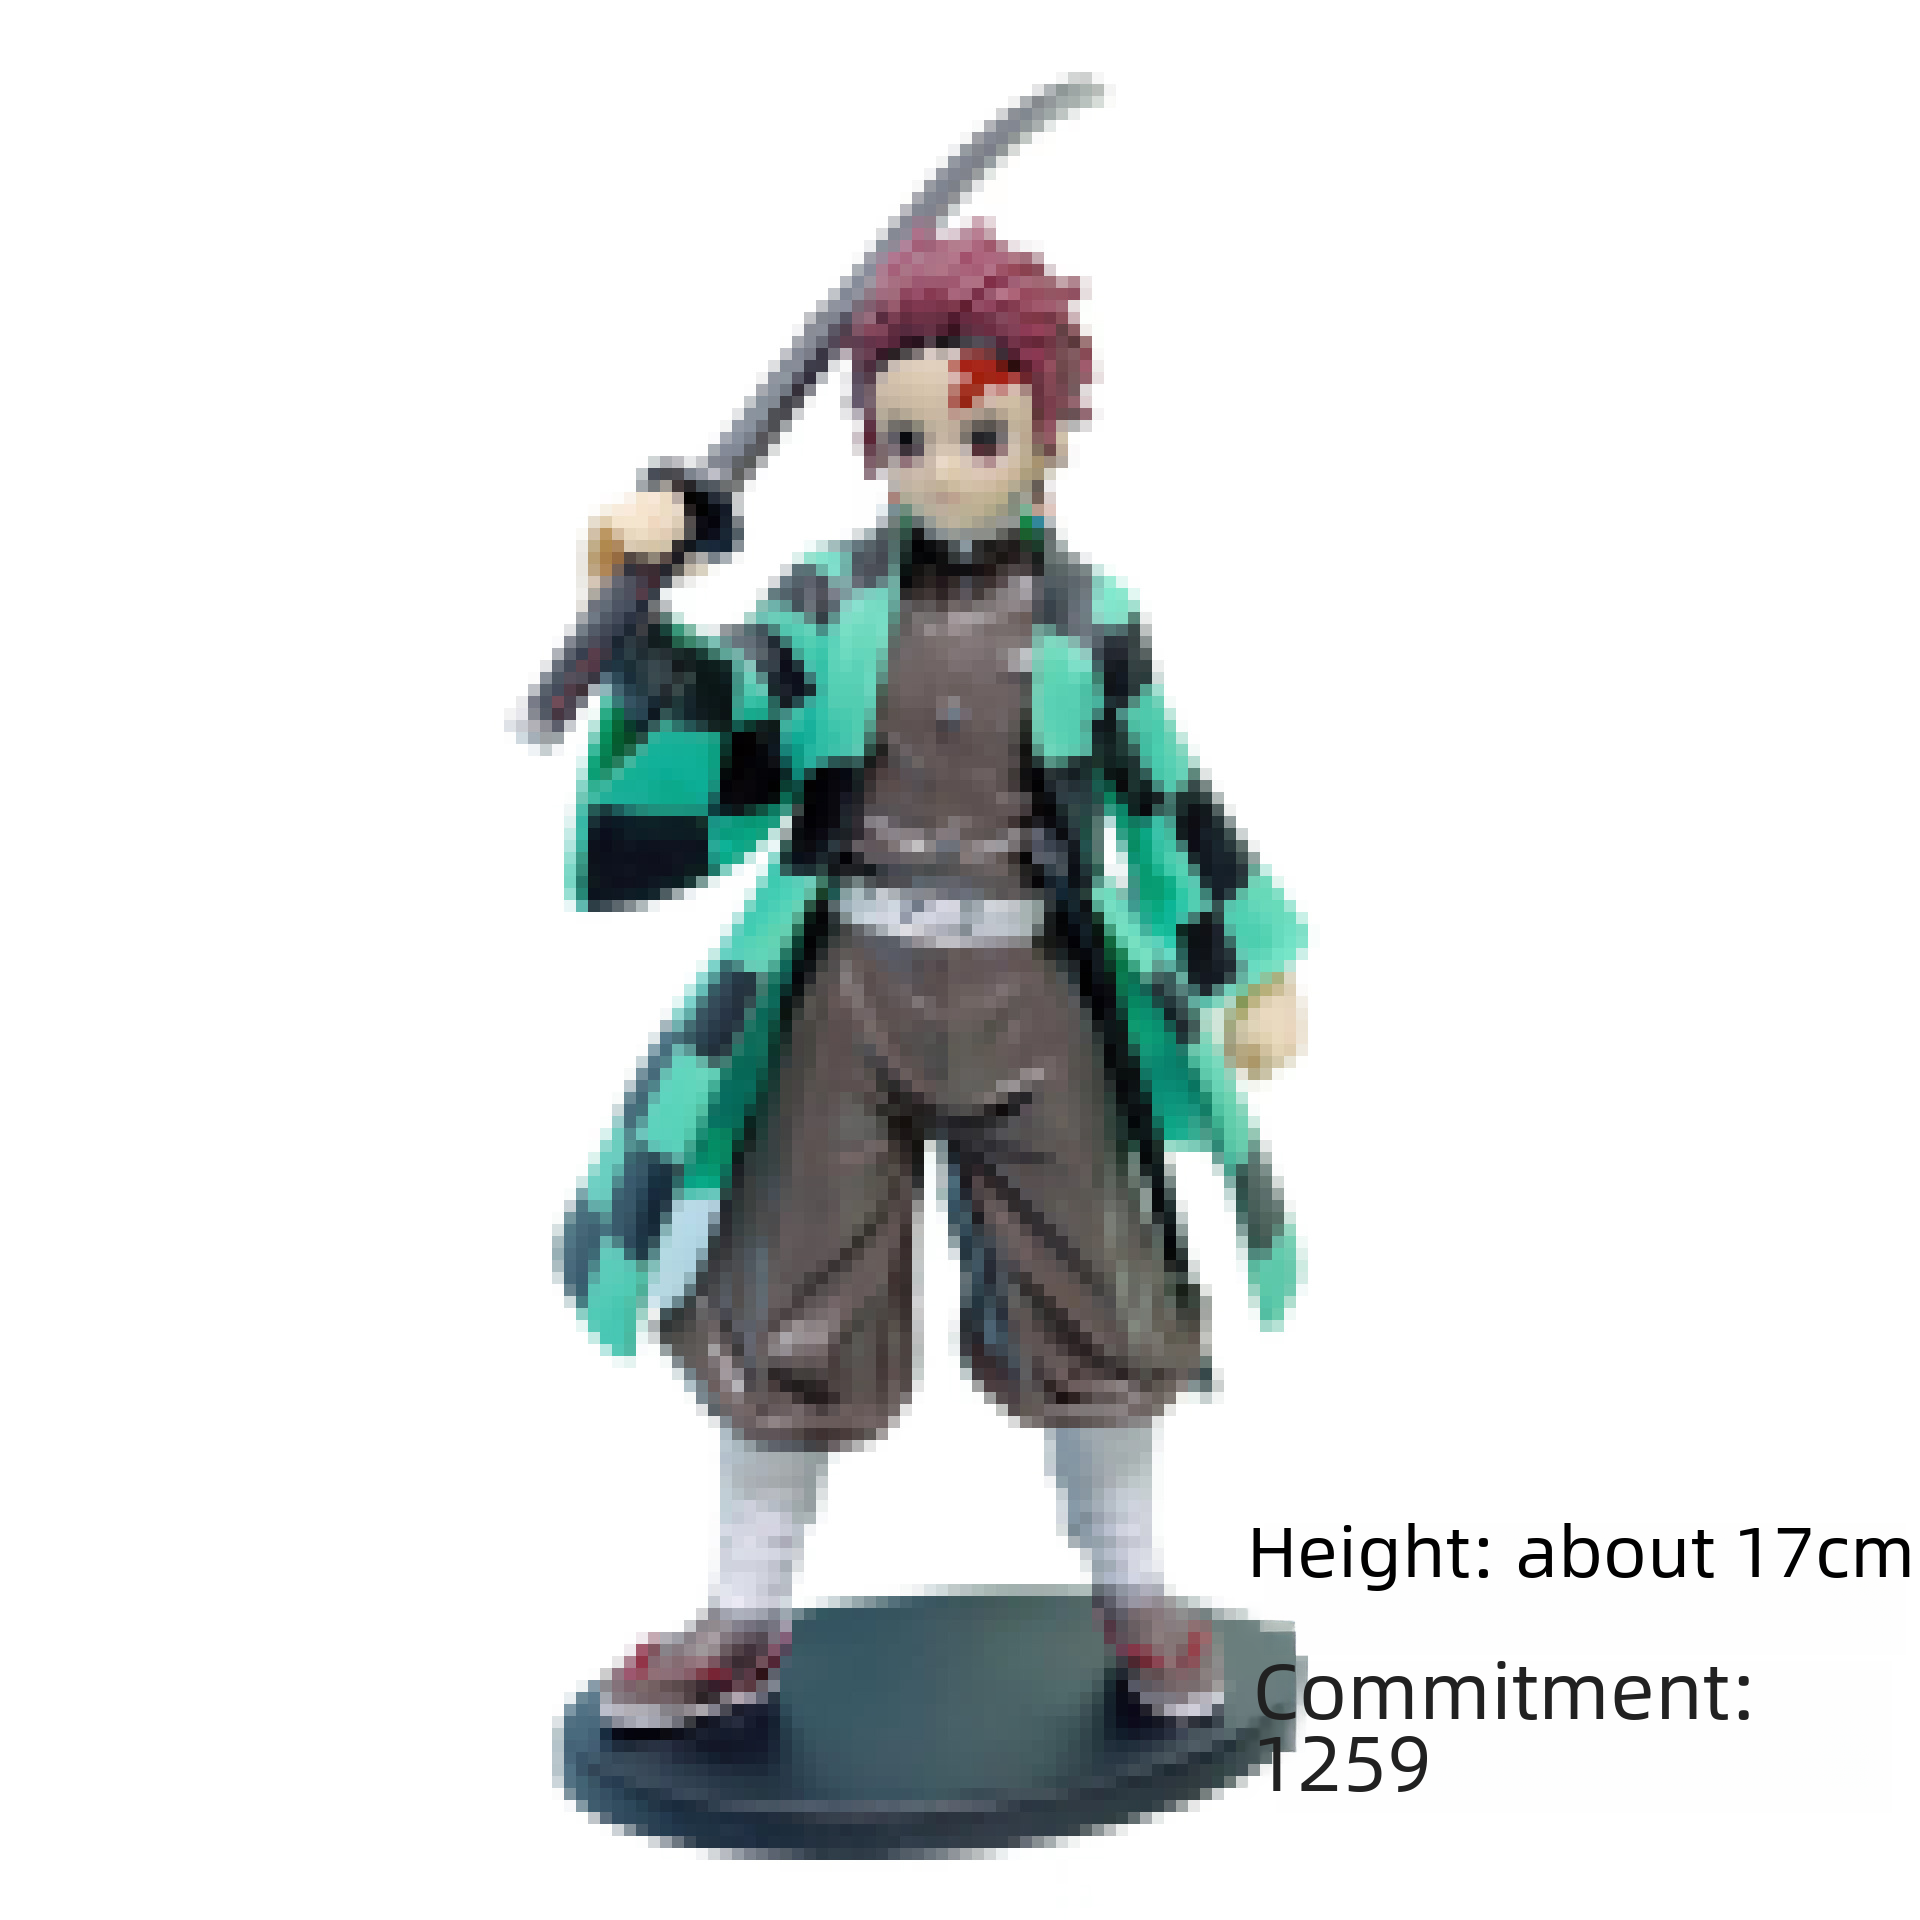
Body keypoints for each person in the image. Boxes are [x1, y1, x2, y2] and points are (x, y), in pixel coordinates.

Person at [558, 222, 1305, 1729]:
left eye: (977, 433)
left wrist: (1249, 965)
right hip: (847, 990)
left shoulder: (1093, 617)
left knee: (1100, 1287)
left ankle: (1137, 1589)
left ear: (1044, 431)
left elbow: (1167, 796)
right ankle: (745, 1613)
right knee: (785, 1299)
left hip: (1039, 996)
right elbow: (730, 711)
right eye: (905, 438)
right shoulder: (831, 600)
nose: (942, 466)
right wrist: (638, 610)